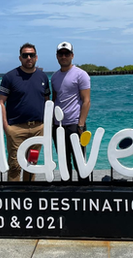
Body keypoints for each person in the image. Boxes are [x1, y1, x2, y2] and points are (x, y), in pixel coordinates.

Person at [0, 43, 50, 181]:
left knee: (32, 164)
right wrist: (6, 127)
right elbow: (0, 102)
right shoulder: (10, 77)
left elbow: (47, 100)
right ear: (20, 58)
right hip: (16, 129)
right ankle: (15, 197)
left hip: (38, 128)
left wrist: (46, 125)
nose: (28, 58)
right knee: (15, 165)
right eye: (25, 55)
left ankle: (29, 194)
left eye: (31, 55)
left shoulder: (43, 77)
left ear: (36, 57)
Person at [51, 41, 91, 182]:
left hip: (75, 124)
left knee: (79, 161)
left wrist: (81, 124)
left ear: (72, 55)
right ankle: (66, 193)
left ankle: (84, 193)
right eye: (61, 54)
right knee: (63, 162)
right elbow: (55, 100)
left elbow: (86, 101)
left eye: (66, 54)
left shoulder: (81, 74)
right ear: (57, 56)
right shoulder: (54, 77)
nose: (63, 56)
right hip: (58, 126)